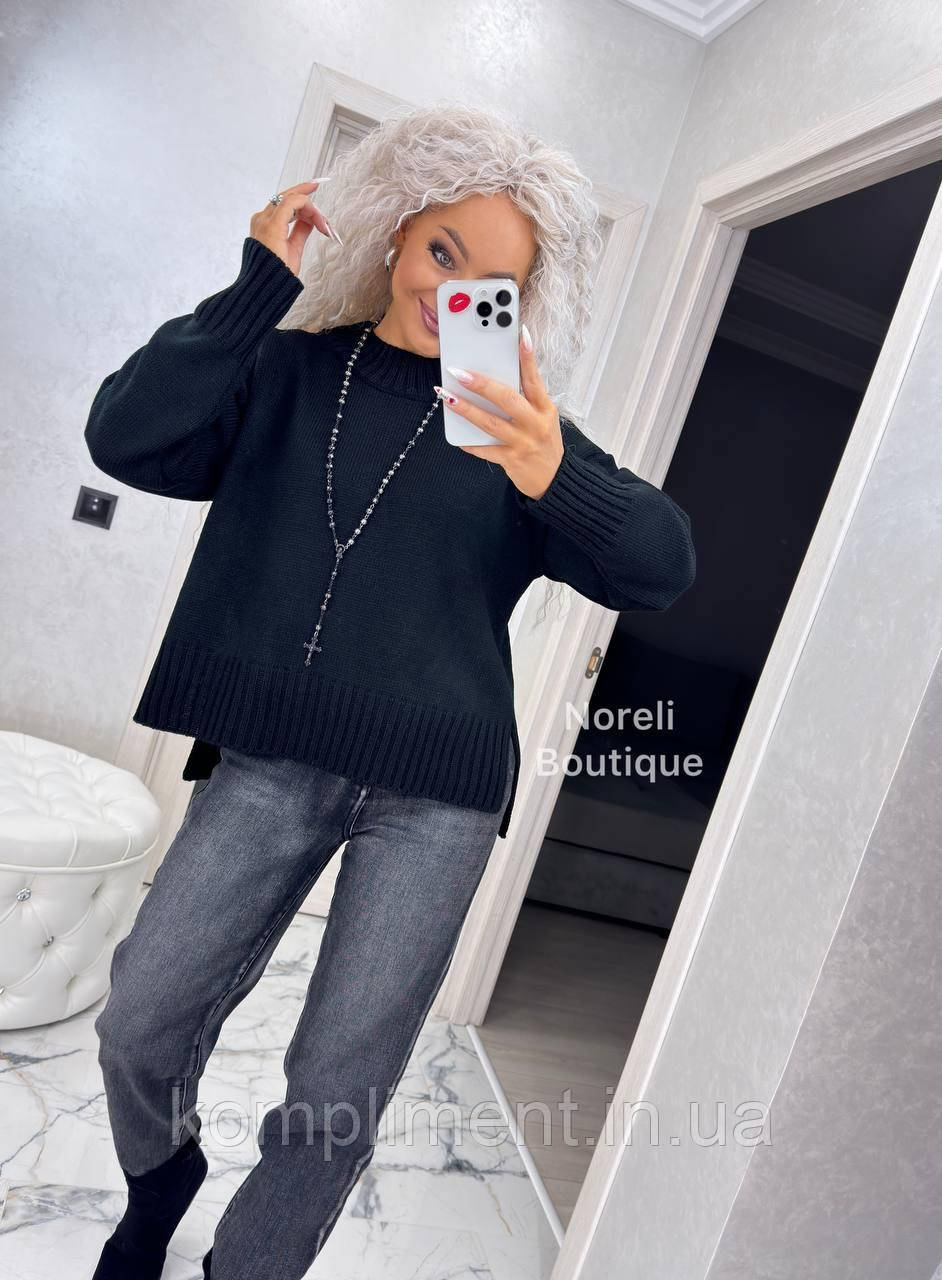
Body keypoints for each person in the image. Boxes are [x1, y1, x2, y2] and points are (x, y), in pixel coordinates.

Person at [86, 102, 696, 1280]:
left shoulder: (515, 426)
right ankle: (161, 1175)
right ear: (396, 234)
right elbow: (127, 435)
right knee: (139, 1019)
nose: (450, 290)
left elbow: (661, 565)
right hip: (271, 760)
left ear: (521, 304)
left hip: (437, 800)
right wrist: (257, 290)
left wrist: (551, 468)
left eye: (491, 284)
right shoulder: (284, 369)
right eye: (442, 251)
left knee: (336, 1090)